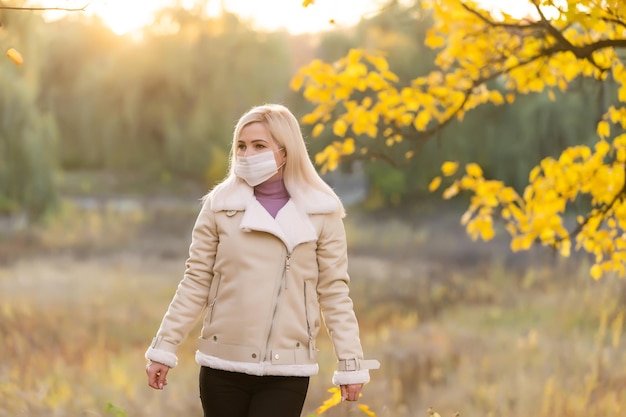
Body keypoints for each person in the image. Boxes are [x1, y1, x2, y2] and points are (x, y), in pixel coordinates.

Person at [145, 104, 379, 417]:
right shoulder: (219, 207)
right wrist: (164, 348)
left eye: (259, 146)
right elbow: (195, 281)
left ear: (285, 152)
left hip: (288, 370)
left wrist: (351, 363)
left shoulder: (322, 213)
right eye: (241, 146)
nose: (246, 154)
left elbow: (335, 293)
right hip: (222, 366)